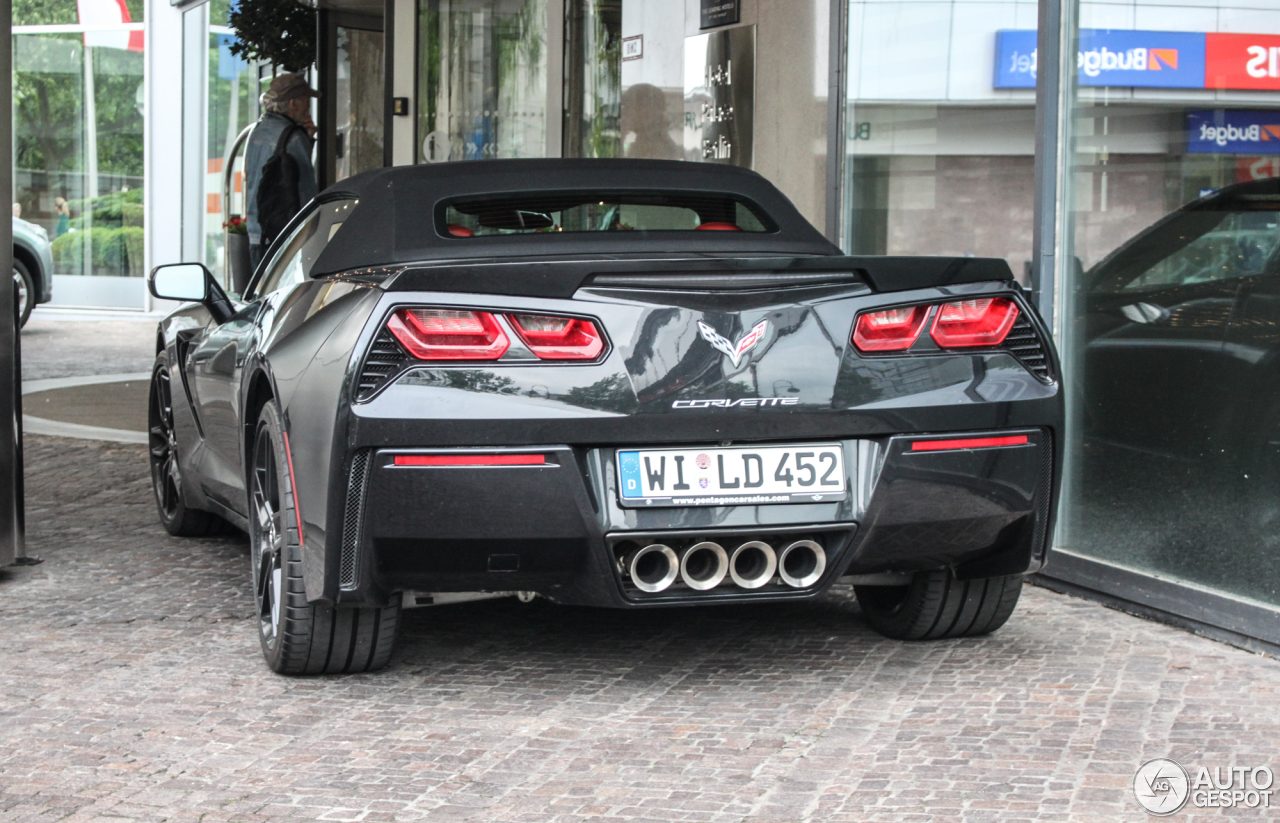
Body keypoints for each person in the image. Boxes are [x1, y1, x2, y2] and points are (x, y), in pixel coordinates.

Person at [245, 73, 319, 269]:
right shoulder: (293, 137)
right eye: (306, 101)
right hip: (286, 236)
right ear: (294, 103)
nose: (308, 107)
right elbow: (307, 190)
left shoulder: (257, 131)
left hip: (257, 233)